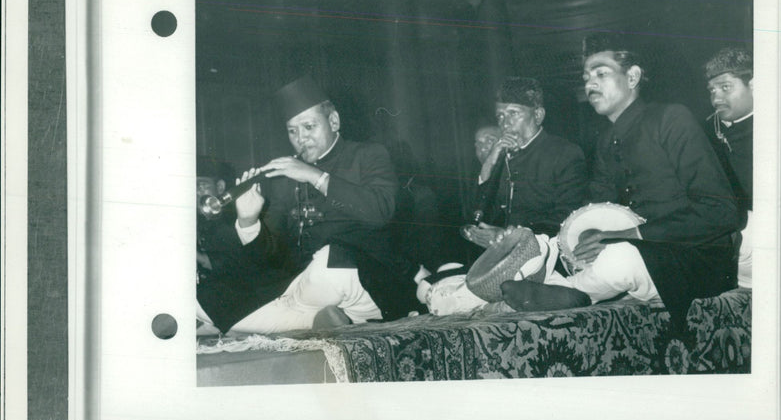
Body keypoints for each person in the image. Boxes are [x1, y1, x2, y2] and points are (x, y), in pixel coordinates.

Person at [501, 33, 740, 332]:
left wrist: (631, 234)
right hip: (640, 254)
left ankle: (574, 292)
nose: (589, 84)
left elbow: (721, 211)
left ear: (633, 77)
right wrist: (581, 242)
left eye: (601, 73)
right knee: (556, 252)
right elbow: (594, 209)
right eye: (586, 77)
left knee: (620, 257)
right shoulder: (605, 142)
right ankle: (561, 285)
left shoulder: (671, 119)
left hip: (697, 259)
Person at [196, 76, 420, 334]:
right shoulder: (285, 179)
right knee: (205, 297)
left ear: (333, 121)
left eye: (309, 127)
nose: (301, 138)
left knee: (327, 265)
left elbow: (381, 211)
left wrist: (315, 176)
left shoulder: (369, 155)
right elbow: (270, 257)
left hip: (362, 278)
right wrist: (249, 221)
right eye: (293, 131)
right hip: (303, 285)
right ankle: (315, 321)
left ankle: (281, 319)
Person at [462, 76, 589, 249]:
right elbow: (478, 217)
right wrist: (488, 164)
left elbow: (568, 216)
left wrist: (511, 236)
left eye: (513, 113)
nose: (505, 123)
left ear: (537, 115)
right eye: (500, 116)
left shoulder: (565, 153)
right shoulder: (501, 157)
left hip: (548, 254)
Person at [703, 47, 753, 288]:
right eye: (712, 90)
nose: (716, 98)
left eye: (725, 87)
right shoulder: (703, 130)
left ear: (753, 85)